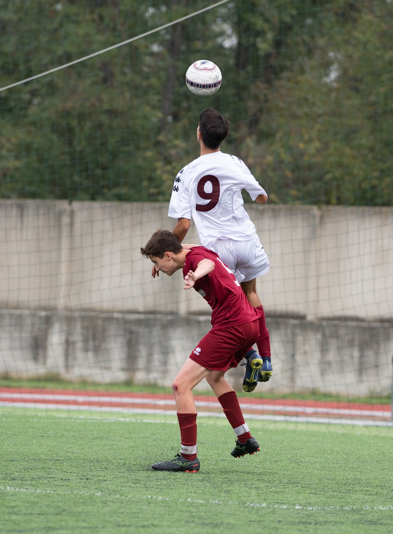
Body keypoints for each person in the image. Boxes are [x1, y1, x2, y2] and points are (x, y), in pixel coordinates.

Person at [162, 107, 272, 393]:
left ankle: (249, 354)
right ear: (223, 136)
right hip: (246, 241)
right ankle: (266, 358)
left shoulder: (186, 172)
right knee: (251, 294)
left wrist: (167, 250)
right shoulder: (235, 162)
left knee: (227, 310)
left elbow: (184, 225)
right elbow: (262, 198)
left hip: (218, 250)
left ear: (198, 134)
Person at [142, 229, 262, 473]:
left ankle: (188, 457)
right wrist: (159, 260)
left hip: (231, 326)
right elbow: (187, 249)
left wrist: (195, 275)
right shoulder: (193, 250)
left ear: (168, 256)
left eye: (157, 262)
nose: (158, 268)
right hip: (249, 324)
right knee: (214, 377)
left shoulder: (196, 261)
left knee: (181, 385)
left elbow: (207, 264)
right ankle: (245, 438)